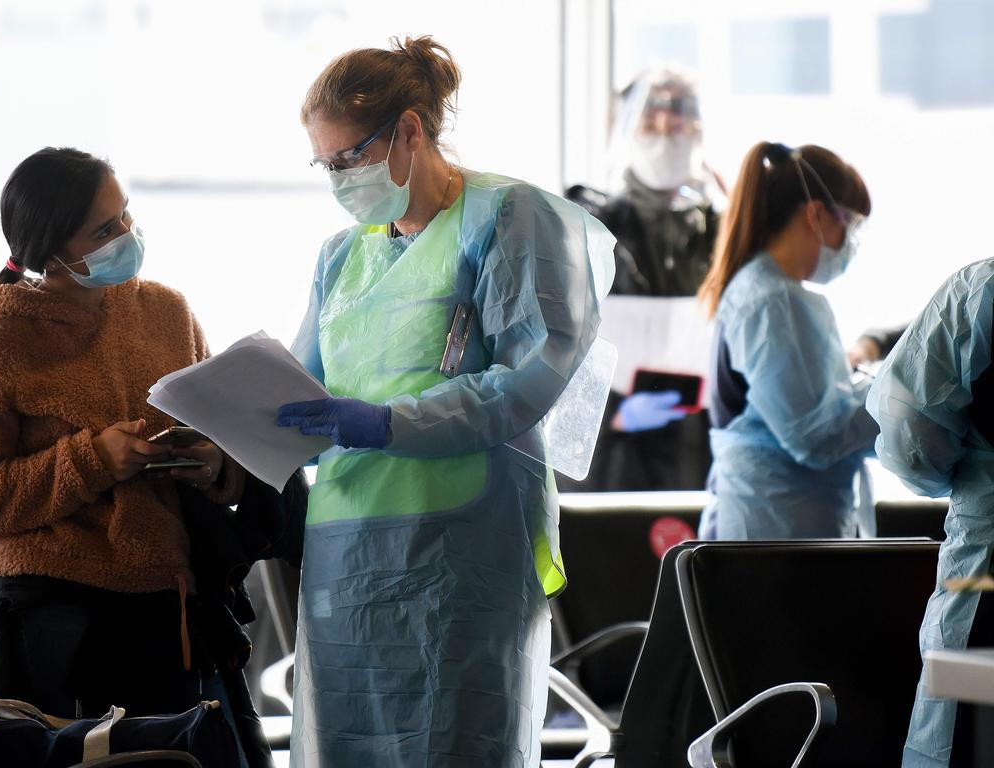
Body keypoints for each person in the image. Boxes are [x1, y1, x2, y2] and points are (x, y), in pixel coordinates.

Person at [276, 36, 614, 767]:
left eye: (347, 159)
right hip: (347, 547)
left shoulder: (509, 220)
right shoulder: (344, 255)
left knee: (455, 741)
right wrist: (225, 425)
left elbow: (529, 378)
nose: (338, 179)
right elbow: (298, 390)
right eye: (325, 165)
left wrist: (390, 422)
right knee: (346, 746)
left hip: (461, 548)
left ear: (408, 130)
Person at [0, 147, 267, 766]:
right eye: (104, 231)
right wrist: (92, 459)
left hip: (173, 605)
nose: (125, 236)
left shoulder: (165, 310)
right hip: (55, 620)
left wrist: (215, 466)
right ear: (51, 253)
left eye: (125, 216)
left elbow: (220, 432)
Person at [695, 142, 879, 539]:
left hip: (776, 529)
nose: (852, 241)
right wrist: (902, 398)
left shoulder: (766, 293)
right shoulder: (771, 301)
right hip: (773, 536)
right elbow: (817, 435)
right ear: (815, 213)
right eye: (851, 223)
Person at [562, 68, 724, 491]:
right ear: (622, 129)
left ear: (700, 130)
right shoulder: (587, 226)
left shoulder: (723, 233)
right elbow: (551, 352)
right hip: (611, 464)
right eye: (650, 123)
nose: (665, 135)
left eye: (678, 123)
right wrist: (616, 410)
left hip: (703, 454)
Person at [867, 260, 994, 767]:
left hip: (986, 579)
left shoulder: (983, 292)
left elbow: (909, 432)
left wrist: (966, 468)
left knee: (969, 735)